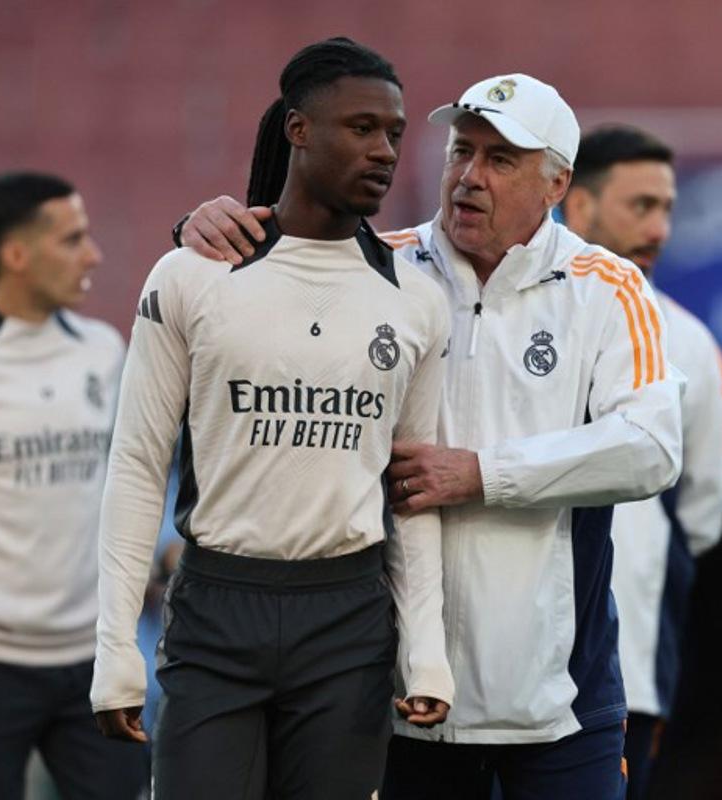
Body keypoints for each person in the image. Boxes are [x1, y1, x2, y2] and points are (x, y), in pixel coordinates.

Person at [179, 72, 684, 800]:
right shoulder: (372, 265)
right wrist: (202, 231)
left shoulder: (608, 287)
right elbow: (239, 303)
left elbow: (652, 447)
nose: (469, 178)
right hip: (395, 692)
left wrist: (483, 473)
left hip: (557, 700)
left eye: (500, 160)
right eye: (460, 152)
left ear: (557, 183)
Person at [91, 37, 454, 799]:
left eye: (393, 131)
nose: (385, 149)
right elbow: (135, 465)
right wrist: (115, 645)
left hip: (348, 621)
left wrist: (426, 648)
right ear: (298, 130)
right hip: (217, 610)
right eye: (361, 128)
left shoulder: (416, 297)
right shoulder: (194, 274)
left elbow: (412, 486)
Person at [561, 125, 722, 799]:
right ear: (578, 207)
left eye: (667, 208)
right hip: (492, 665)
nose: (659, 228)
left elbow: (701, 514)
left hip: (626, 664)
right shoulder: (499, 318)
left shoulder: (689, 342)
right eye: (641, 206)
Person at [0, 171, 146, 798]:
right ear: (16, 254)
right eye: (73, 239)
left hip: (93, 661)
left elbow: (128, 484)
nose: (93, 255)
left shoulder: (104, 352)